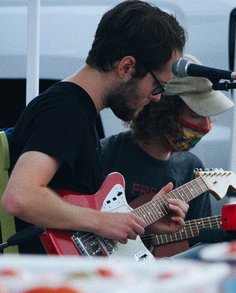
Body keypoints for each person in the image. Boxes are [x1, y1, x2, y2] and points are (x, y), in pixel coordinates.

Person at [1, 0, 188, 254]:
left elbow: (72, 210)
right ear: (126, 67)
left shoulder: (79, 111)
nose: (157, 97)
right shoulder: (64, 110)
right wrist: (101, 221)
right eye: (158, 86)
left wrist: (141, 218)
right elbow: (21, 197)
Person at [100, 54, 234, 254]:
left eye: (208, 117)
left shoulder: (191, 169)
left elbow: (198, 245)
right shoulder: (107, 154)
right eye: (195, 115)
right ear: (161, 110)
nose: (206, 126)